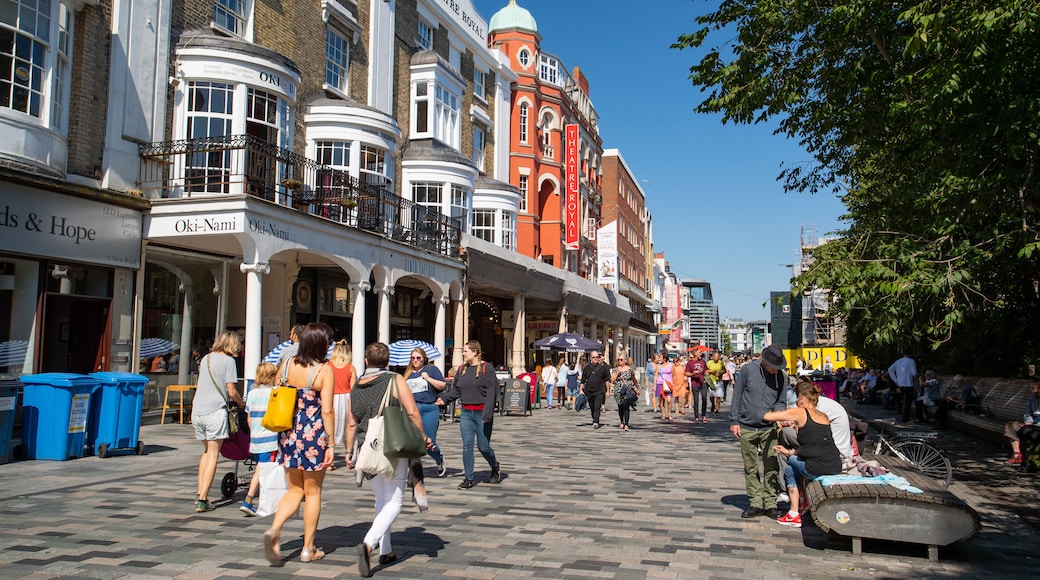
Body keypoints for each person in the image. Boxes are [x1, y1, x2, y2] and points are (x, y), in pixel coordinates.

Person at [345, 342, 432, 577]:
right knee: (394, 502)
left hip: (367, 446)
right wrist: (422, 435)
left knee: (381, 500)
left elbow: (352, 422)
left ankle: (387, 549)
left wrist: (349, 449)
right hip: (392, 444)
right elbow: (412, 411)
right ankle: (369, 543)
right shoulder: (395, 380)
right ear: (387, 361)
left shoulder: (357, 385)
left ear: (366, 361)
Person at [263, 323, 336, 566]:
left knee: (294, 489)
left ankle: (275, 529)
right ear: (321, 344)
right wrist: (332, 444)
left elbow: (278, 392)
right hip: (313, 435)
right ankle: (308, 548)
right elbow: (326, 410)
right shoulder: (323, 370)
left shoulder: (286, 365)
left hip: (289, 433)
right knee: (313, 492)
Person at [765, 380, 842, 528]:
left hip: (817, 468)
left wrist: (757, 410)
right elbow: (813, 447)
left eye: (796, 399)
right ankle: (800, 502)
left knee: (789, 468)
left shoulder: (801, 412)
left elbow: (771, 416)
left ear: (801, 399)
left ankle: (794, 512)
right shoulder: (823, 416)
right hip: (835, 465)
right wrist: (788, 451)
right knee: (793, 459)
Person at [730, 344, 791, 519]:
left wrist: (777, 415)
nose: (776, 370)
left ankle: (770, 502)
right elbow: (737, 396)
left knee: (772, 465)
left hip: (769, 428)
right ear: (765, 362)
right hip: (747, 426)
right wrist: (735, 420)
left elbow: (781, 400)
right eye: (774, 367)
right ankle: (756, 502)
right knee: (751, 467)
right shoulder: (748, 370)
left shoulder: (782, 377)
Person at [436, 340, 502, 490]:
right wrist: (444, 398)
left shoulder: (487, 368)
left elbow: (493, 393)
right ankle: (469, 478)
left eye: (465, 351)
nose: (463, 354)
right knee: (467, 446)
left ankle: (494, 466)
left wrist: (488, 413)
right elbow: (456, 390)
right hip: (466, 413)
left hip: (482, 414)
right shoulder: (461, 370)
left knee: (483, 447)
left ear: (475, 352)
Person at [191, 330, 244, 512]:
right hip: (215, 410)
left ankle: (200, 492)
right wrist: (242, 403)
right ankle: (204, 499)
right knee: (213, 454)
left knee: (206, 452)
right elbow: (231, 391)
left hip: (198, 410)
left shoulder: (206, 358)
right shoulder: (229, 361)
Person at [240, 362, 280, 516]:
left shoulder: (252, 394)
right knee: (262, 470)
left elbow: (249, 418)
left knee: (260, 468)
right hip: (269, 438)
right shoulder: (274, 393)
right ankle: (249, 499)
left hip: (255, 438)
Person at [405, 347, 448, 476]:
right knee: (411, 441)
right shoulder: (408, 373)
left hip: (429, 408)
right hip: (412, 409)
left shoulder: (431, 369)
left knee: (428, 442)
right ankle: (412, 469)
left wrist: (428, 379)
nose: (415, 360)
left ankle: (438, 459)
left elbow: (443, 385)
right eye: (413, 358)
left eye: (418, 358)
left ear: (424, 358)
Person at [329, 340, 358, 466]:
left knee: (330, 428)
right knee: (349, 427)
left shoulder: (328, 366)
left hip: (331, 397)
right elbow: (353, 388)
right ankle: (348, 456)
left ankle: (330, 460)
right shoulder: (351, 368)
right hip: (346, 398)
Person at [1004, 381, 1040, 465]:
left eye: (1037, 389)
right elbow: (1028, 413)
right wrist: (1028, 422)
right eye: (1033, 389)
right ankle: (1017, 455)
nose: (1035, 391)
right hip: (1032, 425)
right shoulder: (1032, 398)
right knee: (1011, 425)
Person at [579, 350, 612, 429]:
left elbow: (607, 380)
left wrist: (608, 391)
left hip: (599, 390)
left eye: (597, 357)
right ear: (590, 358)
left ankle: (596, 421)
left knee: (597, 406)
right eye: (594, 357)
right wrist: (580, 390)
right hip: (589, 391)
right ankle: (594, 417)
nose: (595, 359)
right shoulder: (587, 368)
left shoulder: (603, 368)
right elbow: (583, 380)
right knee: (592, 406)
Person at [888, 351, 918, 424]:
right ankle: (905, 419)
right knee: (907, 403)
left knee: (901, 400)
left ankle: (901, 414)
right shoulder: (911, 361)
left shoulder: (898, 361)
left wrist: (896, 380)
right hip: (908, 384)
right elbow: (914, 374)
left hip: (900, 385)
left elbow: (890, 370)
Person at [611, 354, 636, 431]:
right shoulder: (615, 369)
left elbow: (633, 379)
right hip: (618, 390)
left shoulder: (630, 369)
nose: (619, 361)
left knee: (626, 406)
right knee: (620, 407)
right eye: (618, 360)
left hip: (627, 390)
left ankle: (626, 424)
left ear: (625, 361)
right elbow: (612, 380)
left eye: (621, 360)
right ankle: (622, 421)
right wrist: (618, 372)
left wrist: (637, 388)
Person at [652, 352, 673, 421]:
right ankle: (663, 414)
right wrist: (654, 385)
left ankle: (669, 413)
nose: (659, 359)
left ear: (664, 358)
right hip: (660, 384)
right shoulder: (659, 366)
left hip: (668, 384)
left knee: (669, 400)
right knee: (661, 401)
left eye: (660, 357)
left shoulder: (670, 365)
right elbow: (656, 375)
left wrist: (673, 383)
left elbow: (674, 375)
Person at [686, 353, 708, 422]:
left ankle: (703, 415)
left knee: (704, 398)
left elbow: (706, 370)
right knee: (696, 400)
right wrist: (693, 373)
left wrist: (708, 373)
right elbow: (686, 373)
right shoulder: (690, 363)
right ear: (695, 354)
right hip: (694, 383)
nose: (700, 354)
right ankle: (696, 416)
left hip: (703, 382)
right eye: (699, 352)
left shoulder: (702, 361)